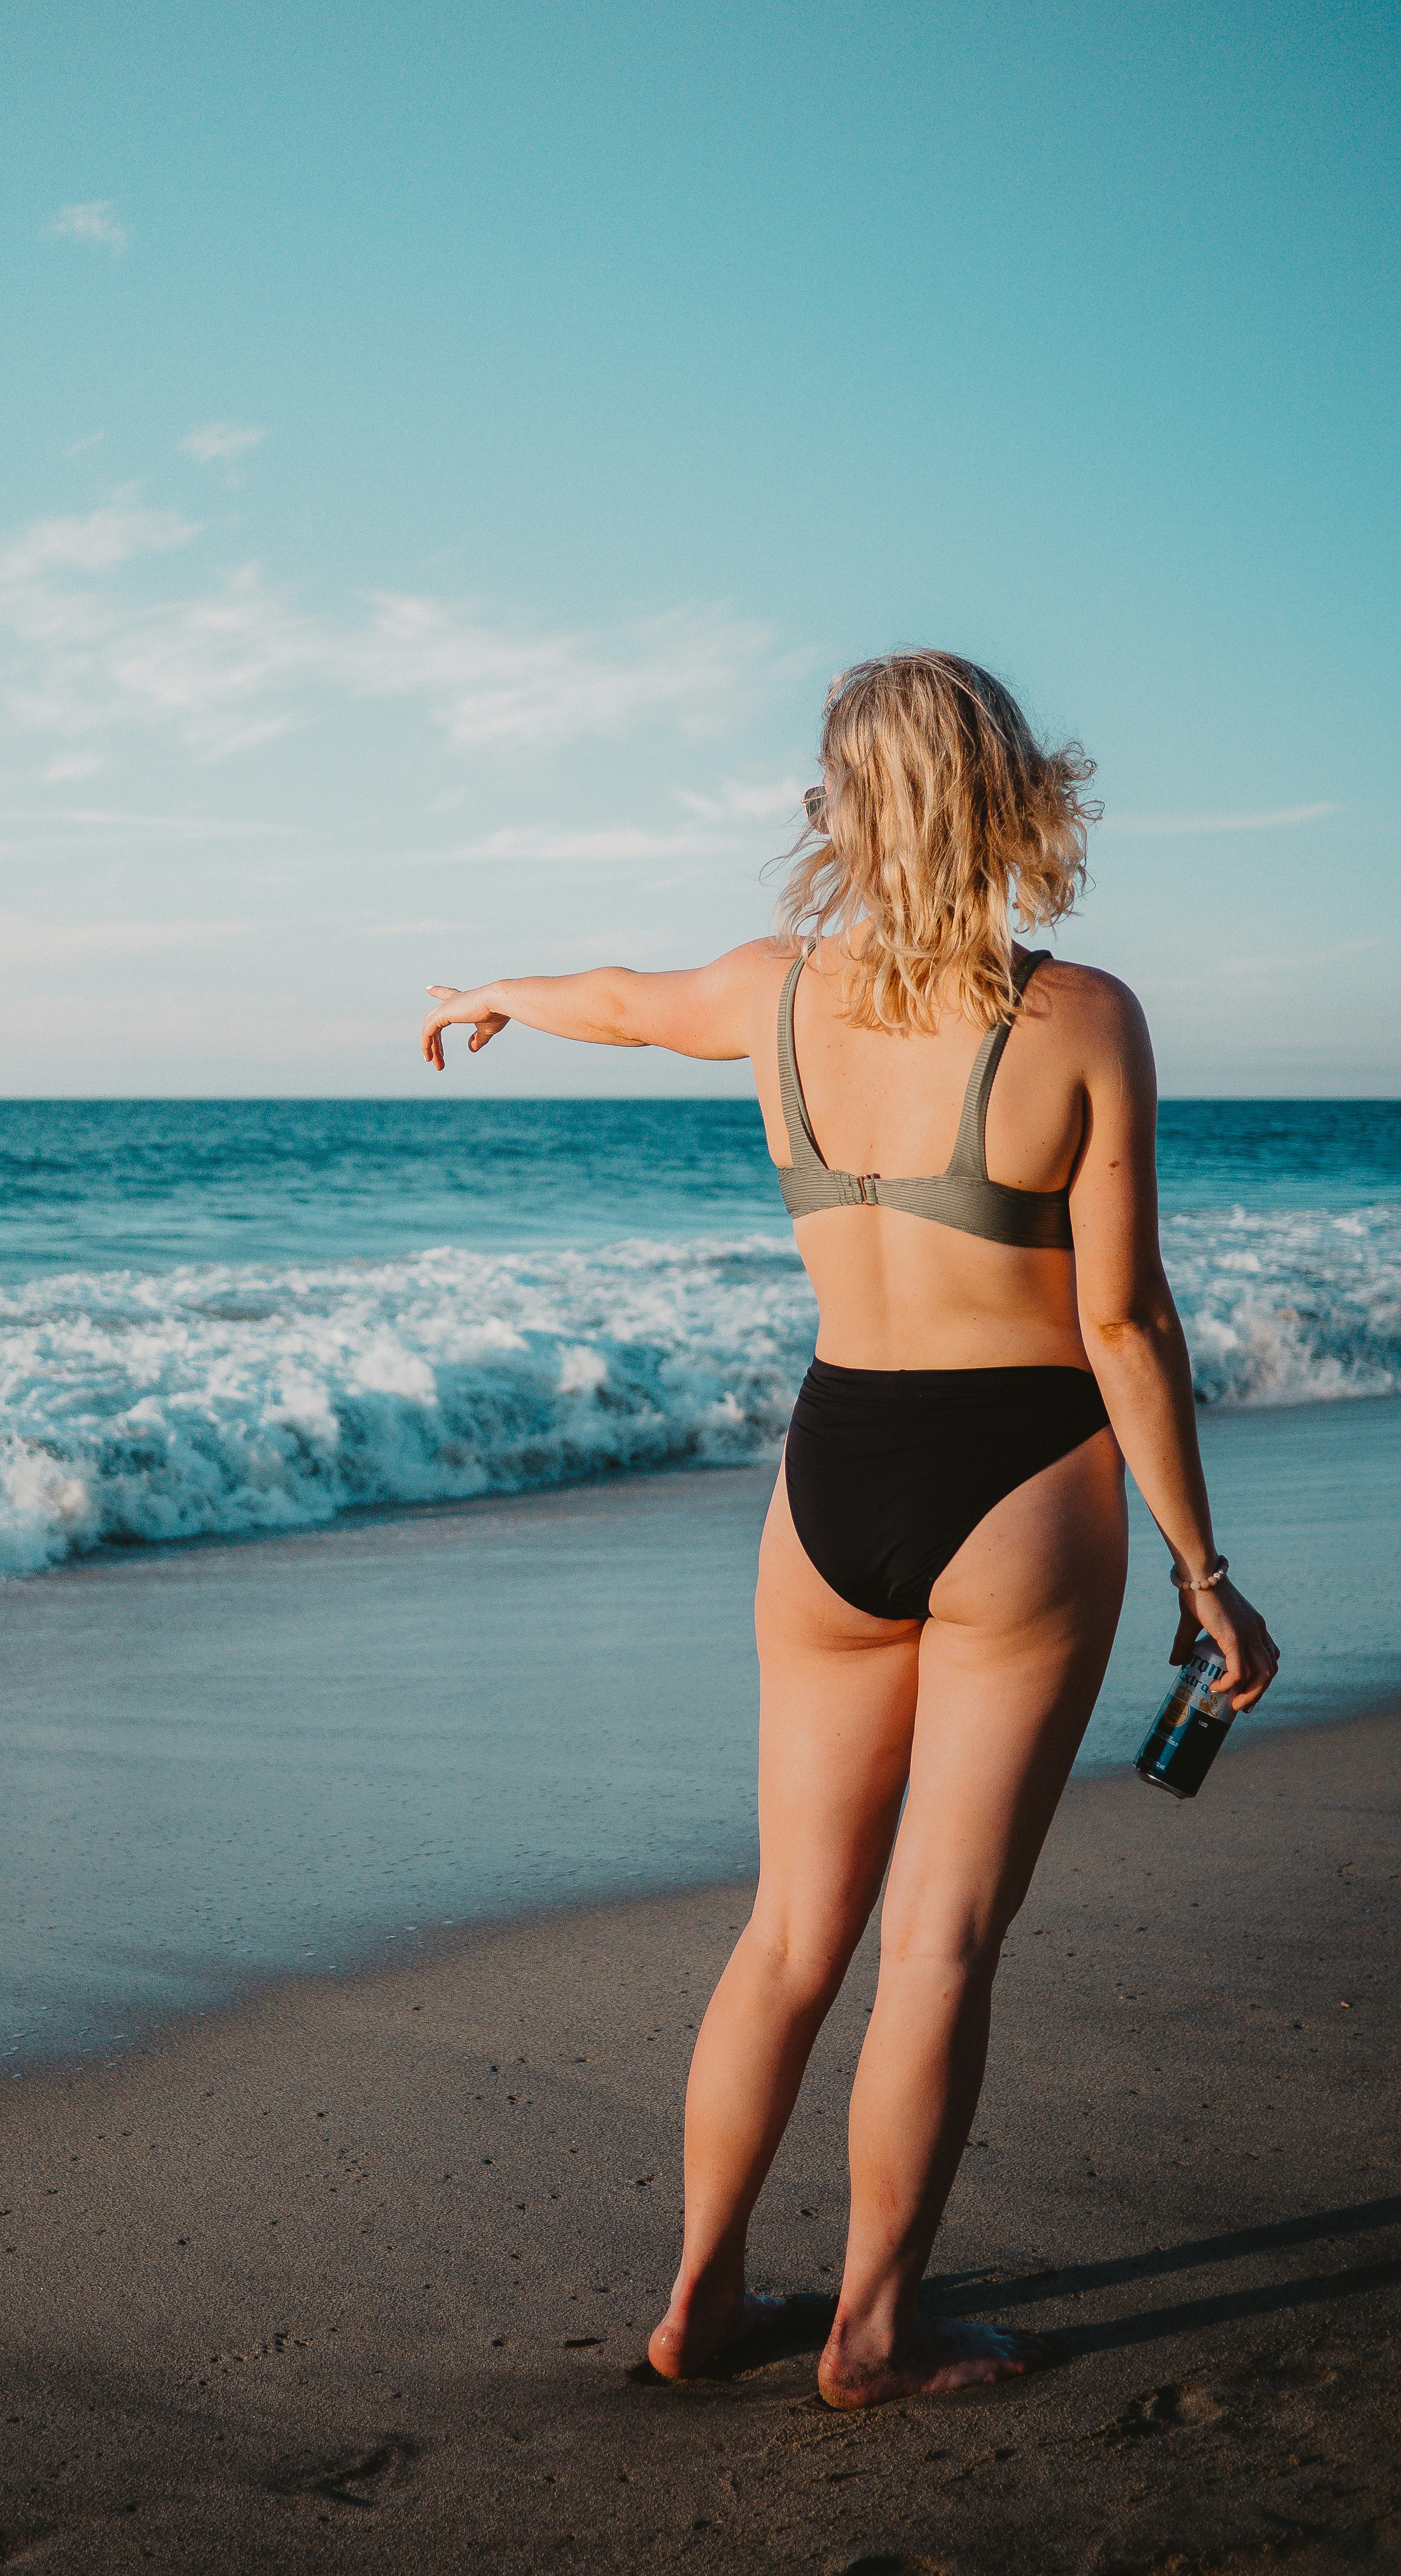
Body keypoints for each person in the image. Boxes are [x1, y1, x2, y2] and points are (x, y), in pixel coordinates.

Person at [418, 649, 1279, 2409]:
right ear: (1013, 794)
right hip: (1021, 1489)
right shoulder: (1082, 1020)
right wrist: (1205, 1571)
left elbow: (625, 999)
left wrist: (494, 988)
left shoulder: (772, 994)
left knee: (793, 1931)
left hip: (829, 1483)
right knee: (941, 1941)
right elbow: (1125, 1328)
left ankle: (700, 2300)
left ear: (846, 807)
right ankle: (876, 2333)